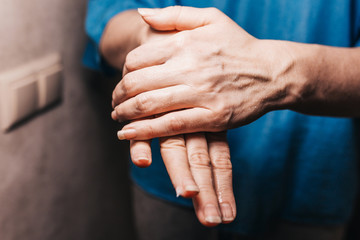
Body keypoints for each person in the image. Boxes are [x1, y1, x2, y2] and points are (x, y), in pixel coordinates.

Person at [84, 1, 360, 239]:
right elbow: (112, 18)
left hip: (312, 179)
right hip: (175, 172)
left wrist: (278, 70)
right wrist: (157, 42)